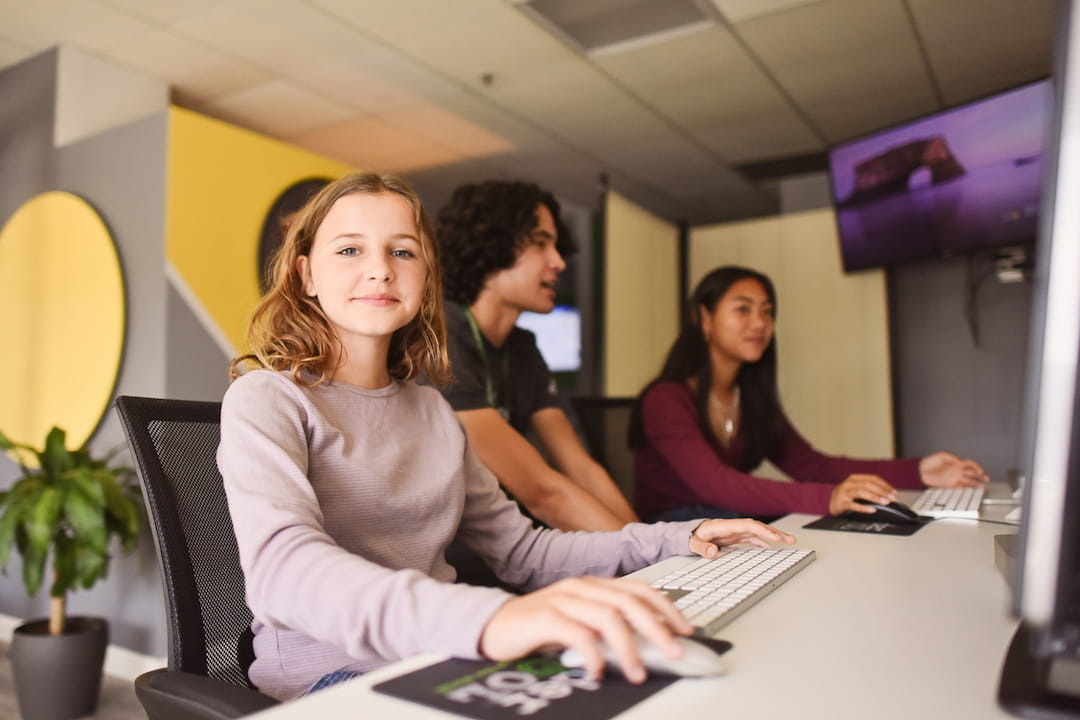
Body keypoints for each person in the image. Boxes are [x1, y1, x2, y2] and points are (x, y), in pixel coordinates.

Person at [216, 172, 796, 701]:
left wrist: (673, 540)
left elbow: (522, 551)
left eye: (402, 250)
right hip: (332, 680)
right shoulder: (267, 399)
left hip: (440, 656)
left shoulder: (434, 412)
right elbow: (283, 574)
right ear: (306, 274)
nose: (380, 269)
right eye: (349, 250)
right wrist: (491, 619)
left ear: (426, 275)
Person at [629, 265, 989, 522]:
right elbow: (716, 486)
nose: (760, 324)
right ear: (704, 318)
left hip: (727, 521)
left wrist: (919, 471)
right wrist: (828, 498)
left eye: (767, 312)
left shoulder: (749, 399)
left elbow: (813, 466)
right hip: (676, 532)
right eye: (743, 309)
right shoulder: (666, 399)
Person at [435, 180, 636, 531]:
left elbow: (582, 470)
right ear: (491, 244)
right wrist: (655, 560)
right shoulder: (443, 334)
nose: (559, 262)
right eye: (541, 243)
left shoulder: (522, 347)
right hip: (455, 556)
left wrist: (659, 547)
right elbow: (543, 493)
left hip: (514, 541)